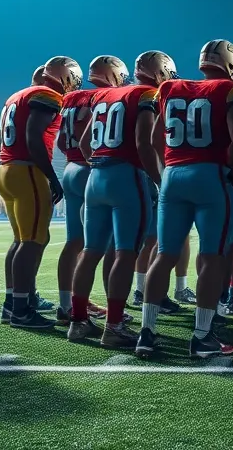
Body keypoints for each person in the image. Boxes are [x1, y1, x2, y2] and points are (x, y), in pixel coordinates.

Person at [136, 39, 233, 360]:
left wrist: (167, 170)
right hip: (210, 175)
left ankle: (147, 332)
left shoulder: (171, 88)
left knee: (164, 254)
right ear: (231, 63)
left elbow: (154, 139)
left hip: (174, 175)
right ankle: (202, 336)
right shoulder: (232, 91)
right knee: (213, 255)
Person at [68, 52, 173, 346]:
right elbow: (143, 142)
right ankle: (113, 326)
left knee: (91, 251)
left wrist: (99, 164)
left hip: (97, 176)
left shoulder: (104, 95)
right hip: (126, 177)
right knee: (126, 252)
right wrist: (159, 179)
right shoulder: (146, 95)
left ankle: (78, 322)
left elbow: (85, 142)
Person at [0, 57, 78, 328]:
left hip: (6, 169)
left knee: (23, 240)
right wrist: (52, 178)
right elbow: (32, 136)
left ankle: (13, 303)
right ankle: (21, 309)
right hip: (27, 170)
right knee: (31, 241)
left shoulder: (16, 96)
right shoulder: (46, 95)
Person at [54, 55, 126, 324]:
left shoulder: (72, 98)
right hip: (91, 170)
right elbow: (91, 137)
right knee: (106, 246)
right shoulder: (102, 98)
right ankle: (113, 310)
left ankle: (66, 305)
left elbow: (62, 140)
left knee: (75, 241)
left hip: (71, 168)